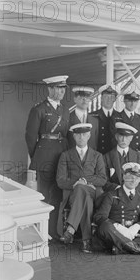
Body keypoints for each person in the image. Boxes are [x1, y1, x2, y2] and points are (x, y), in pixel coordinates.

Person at [25, 75, 70, 237]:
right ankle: (41, 233)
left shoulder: (65, 110)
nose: (61, 92)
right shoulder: (39, 109)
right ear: (49, 89)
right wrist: (37, 156)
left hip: (61, 158)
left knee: (57, 197)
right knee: (44, 197)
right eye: (58, 88)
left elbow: (66, 135)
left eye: (63, 88)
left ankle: (53, 232)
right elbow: (30, 137)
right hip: (44, 157)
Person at [55, 123, 106, 253]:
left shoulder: (97, 155)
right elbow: (60, 181)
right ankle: (86, 241)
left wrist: (85, 181)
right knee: (83, 195)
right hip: (74, 194)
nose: (81, 137)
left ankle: (71, 228)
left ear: (89, 135)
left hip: (94, 192)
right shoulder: (65, 155)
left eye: (84, 134)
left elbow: (102, 179)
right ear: (73, 136)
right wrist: (77, 183)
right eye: (78, 134)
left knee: (82, 190)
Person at [94, 162, 140, 255]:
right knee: (105, 227)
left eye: (137, 178)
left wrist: (135, 228)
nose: (133, 180)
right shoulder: (112, 195)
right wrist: (119, 228)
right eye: (130, 176)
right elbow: (100, 216)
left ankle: (124, 247)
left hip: (134, 234)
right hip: (116, 233)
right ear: (123, 177)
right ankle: (138, 248)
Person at [102, 122, 140, 212]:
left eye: (127, 137)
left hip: (137, 191)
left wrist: (133, 190)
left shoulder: (139, 156)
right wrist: (120, 190)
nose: (123, 139)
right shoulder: (106, 157)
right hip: (116, 193)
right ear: (116, 137)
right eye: (121, 136)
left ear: (131, 138)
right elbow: (104, 180)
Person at [90, 84, 118, 154]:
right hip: (97, 154)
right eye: (106, 97)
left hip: (114, 155)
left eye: (111, 97)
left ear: (115, 99)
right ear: (101, 98)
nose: (109, 99)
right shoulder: (92, 116)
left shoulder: (120, 116)